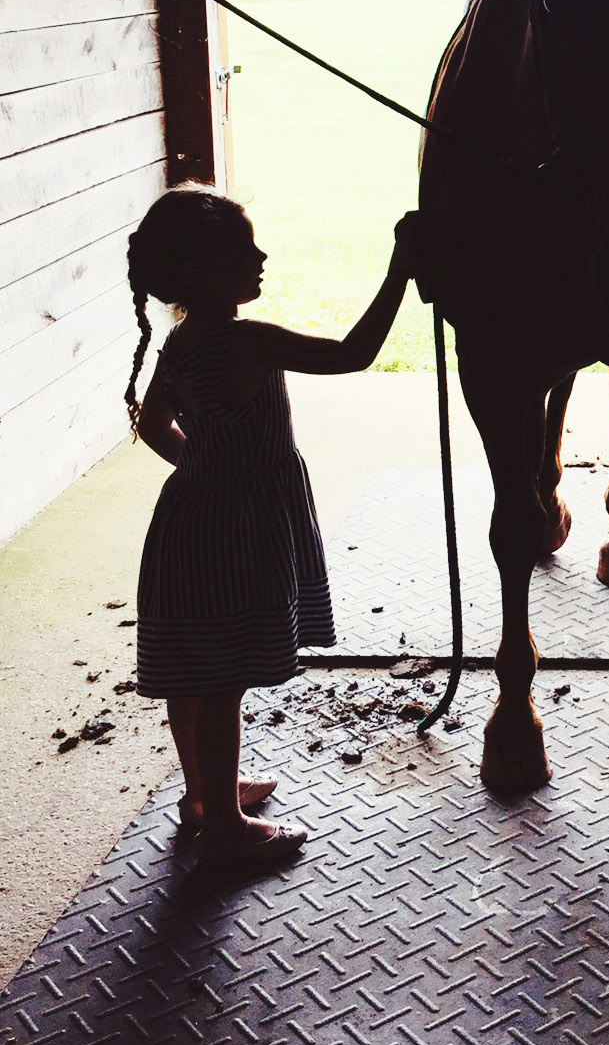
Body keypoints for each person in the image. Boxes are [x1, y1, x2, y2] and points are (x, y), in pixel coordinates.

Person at [125, 183, 419, 869]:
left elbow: (149, 423)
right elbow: (353, 353)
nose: (261, 257)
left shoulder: (181, 339)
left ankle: (203, 795)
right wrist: (399, 271)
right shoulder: (247, 342)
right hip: (240, 528)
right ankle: (226, 827)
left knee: (191, 674)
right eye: (241, 250)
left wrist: (202, 461)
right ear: (197, 271)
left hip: (187, 518)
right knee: (224, 678)